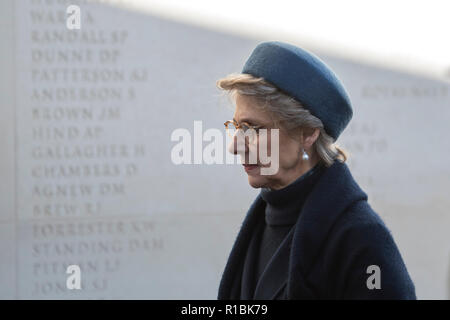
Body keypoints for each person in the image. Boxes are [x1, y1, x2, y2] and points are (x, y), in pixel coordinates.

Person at [216, 41, 416, 299]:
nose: (235, 146)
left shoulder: (362, 239)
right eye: (236, 127)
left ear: (308, 134)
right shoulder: (264, 219)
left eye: (253, 129)